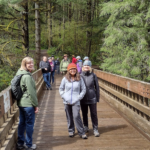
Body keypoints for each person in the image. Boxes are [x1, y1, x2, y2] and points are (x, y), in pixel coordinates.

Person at [59, 63, 88, 139]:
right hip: (66, 101)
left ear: (76, 70)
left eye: (74, 69)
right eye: (71, 69)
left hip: (76, 101)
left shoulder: (80, 78)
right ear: (68, 70)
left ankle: (81, 132)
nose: (73, 70)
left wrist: (78, 97)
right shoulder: (65, 79)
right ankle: (71, 130)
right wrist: (65, 97)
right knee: (69, 116)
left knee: (76, 115)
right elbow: (61, 89)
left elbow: (83, 89)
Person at [16, 57, 38, 150]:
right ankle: (28, 145)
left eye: (32, 63)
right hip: (28, 104)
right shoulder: (27, 76)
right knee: (29, 124)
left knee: (22, 123)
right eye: (29, 63)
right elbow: (31, 93)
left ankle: (20, 143)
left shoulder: (19, 73)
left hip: (21, 103)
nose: (31, 65)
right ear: (24, 64)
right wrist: (35, 105)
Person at [80, 60, 100, 137]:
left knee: (94, 114)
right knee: (84, 114)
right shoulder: (80, 75)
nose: (86, 67)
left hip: (92, 97)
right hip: (83, 98)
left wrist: (97, 98)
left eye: (88, 65)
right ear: (83, 67)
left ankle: (95, 128)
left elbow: (97, 87)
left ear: (90, 67)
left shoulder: (93, 75)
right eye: (85, 65)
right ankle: (86, 126)